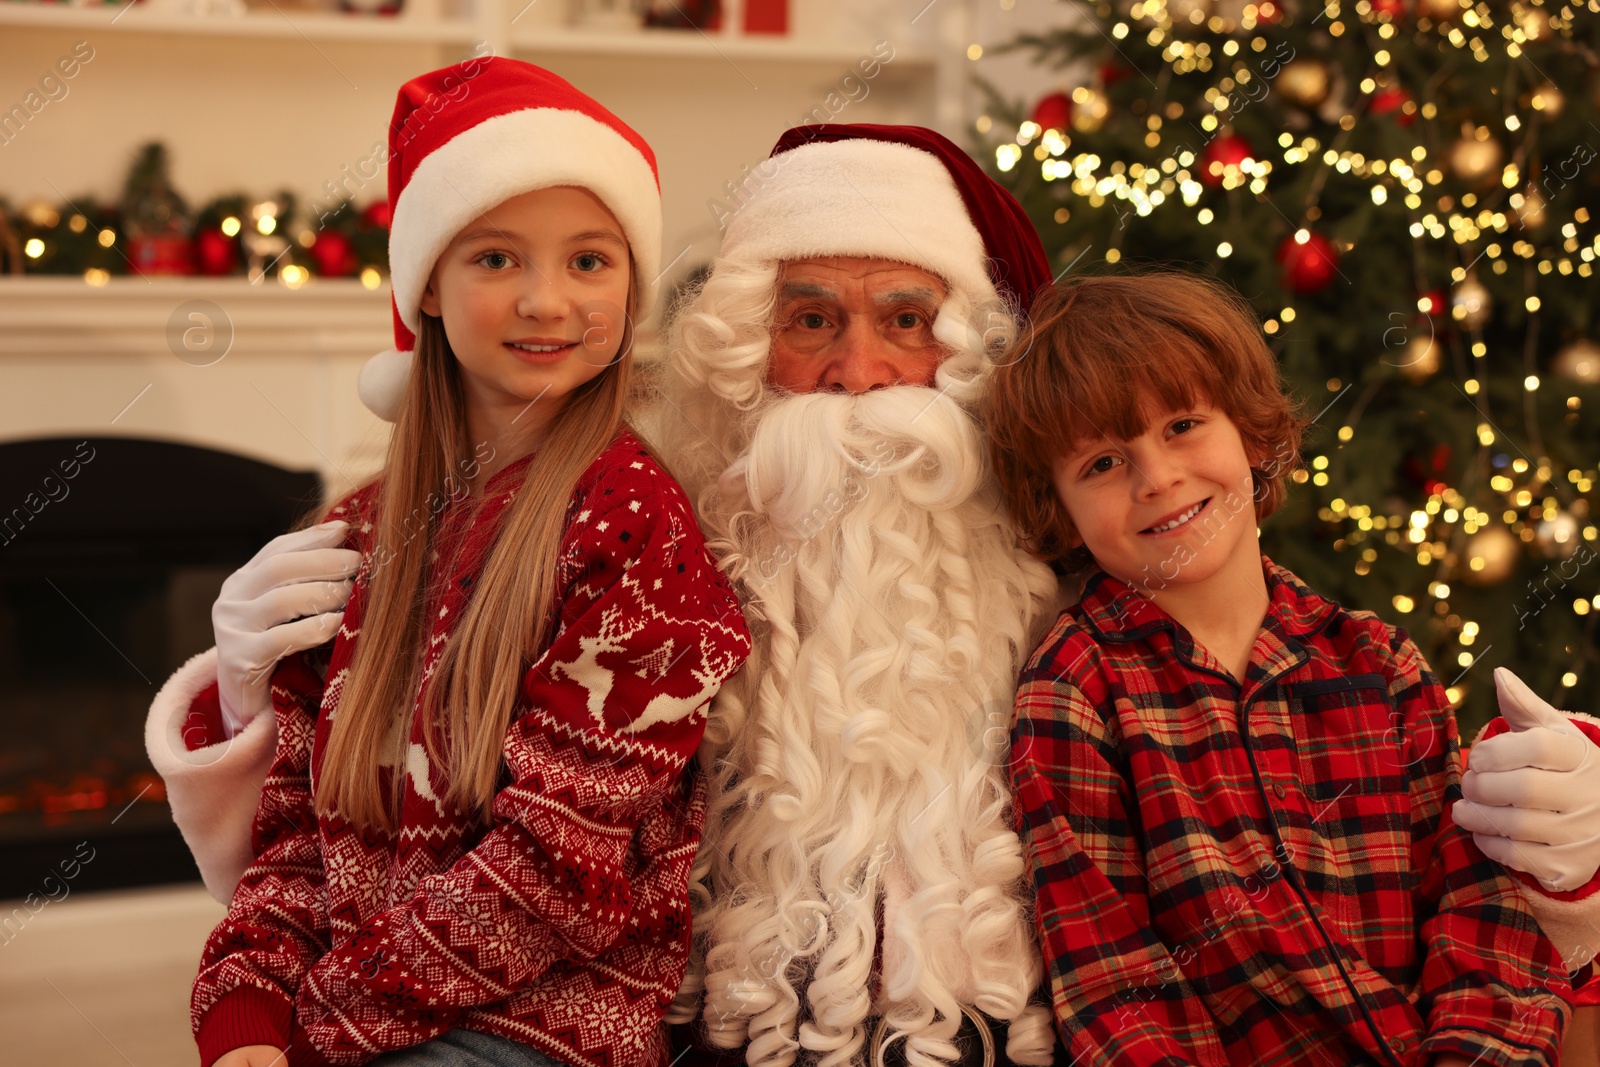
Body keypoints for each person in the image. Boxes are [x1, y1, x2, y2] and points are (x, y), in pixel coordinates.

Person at [150, 121, 1600, 1066]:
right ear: (738, 348)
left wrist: (1573, 846)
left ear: (967, 351)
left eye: (905, 323)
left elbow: (1308, 738)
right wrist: (241, 689)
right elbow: (384, 815)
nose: (854, 374)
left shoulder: (1080, 547)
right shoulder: (650, 541)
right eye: (810, 321)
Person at [145, 58, 751, 1067]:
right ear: (427, 282)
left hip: (541, 1023)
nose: (547, 300)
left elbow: (556, 869)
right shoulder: (359, 533)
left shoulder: (634, 524)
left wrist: (323, 1025)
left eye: (590, 262)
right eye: (497, 259)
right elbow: (296, 829)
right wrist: (246, 1010)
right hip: (369, 1008)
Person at [987, 270, 1577, 1066]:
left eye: (1184, 424)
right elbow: (1117, 987)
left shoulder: (1381, 664)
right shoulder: (1074, 692)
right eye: (1101, 463)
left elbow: (1483, 917)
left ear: (1252, 435)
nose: (1156, 478)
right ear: (1058, 507)